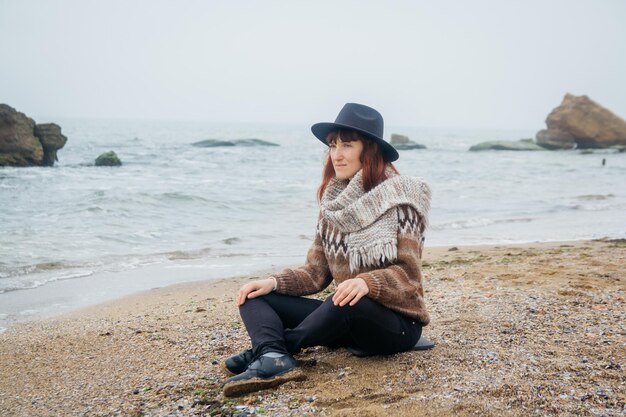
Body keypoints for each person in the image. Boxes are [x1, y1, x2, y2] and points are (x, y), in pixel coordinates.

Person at [222, 102, 432, 397]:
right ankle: (272, 356)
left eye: (347, 144)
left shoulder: (403, 200)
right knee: (254, 297)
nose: (337, 154)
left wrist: (367, 282)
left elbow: (408, 276)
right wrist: (273, 282)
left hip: (397, 324)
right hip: (344, 314)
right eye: (333, 145)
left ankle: (276, 348)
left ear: (369, 149)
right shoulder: (333, 206)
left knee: (346, 299)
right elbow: (315, 273)